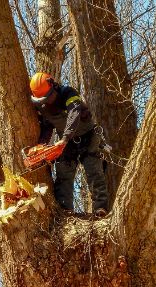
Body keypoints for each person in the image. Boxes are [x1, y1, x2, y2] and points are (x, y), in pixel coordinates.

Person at [29, 72, 108, 217]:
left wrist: (65, 138)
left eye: (48, 97)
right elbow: (47, 126)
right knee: (63, 174)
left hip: (88, 136)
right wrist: (41, 146)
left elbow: (74, 113)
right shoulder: (43, 107)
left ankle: (100, 209)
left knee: (94, 171)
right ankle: (65, 211)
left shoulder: (68, 92)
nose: (47, 102)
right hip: (66, 143)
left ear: (54, 86)